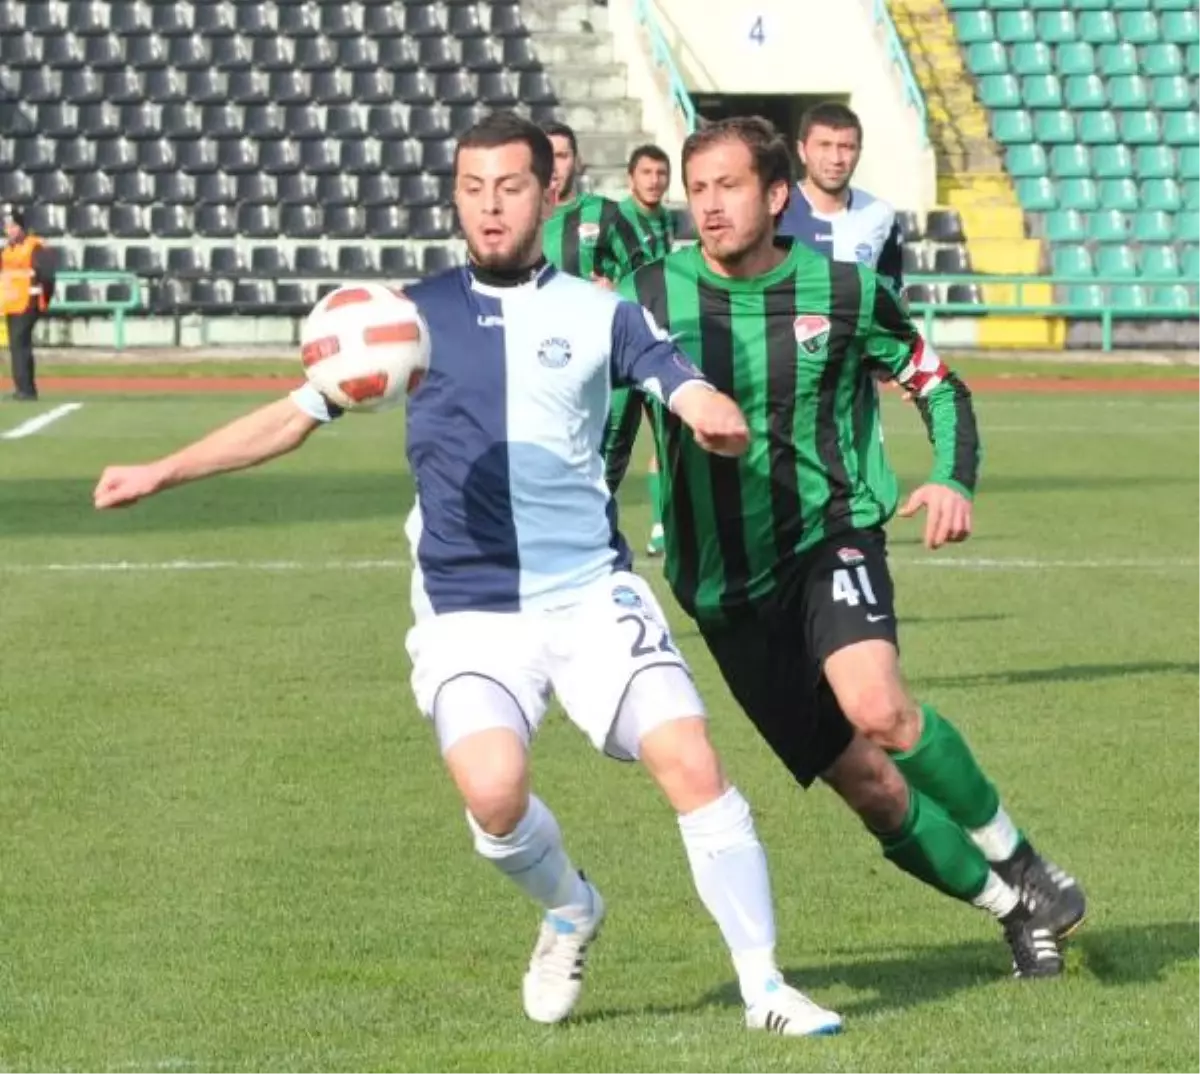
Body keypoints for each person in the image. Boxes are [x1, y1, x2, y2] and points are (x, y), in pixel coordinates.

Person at [92, 112, 843, 1038]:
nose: (490, 209)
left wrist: (708, 410)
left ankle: (765, 988)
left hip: (590, 592)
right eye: (473, 190)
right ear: (456, 197)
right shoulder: (406, 320)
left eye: (511, 188)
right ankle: (569, 907)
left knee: (689, 758)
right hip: (468, 608)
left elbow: (673, 378)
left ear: (549, 193)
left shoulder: (600, 308)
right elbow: (292, 415)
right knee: (493, 793)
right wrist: (161, 470)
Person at [606, 116, 1085, 979]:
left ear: (777, 194)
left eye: (730, 186)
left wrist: (952, 477)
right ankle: (1012, 910)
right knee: (870, 789)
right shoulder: (643, 296)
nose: (709, 206)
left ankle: (1022, 859)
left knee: (877, 705)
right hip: (720, 587)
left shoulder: (848, 291)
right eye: (698, 188)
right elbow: (608, 429)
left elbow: (938, 385)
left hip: (831, 536)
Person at [614, 143, 675, 558]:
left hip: (658, 342)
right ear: (630, 177)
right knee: (610, 443)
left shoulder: (668, 220)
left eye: (661, 173)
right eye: (647, 173)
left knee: (668, 439)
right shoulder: (615, 220)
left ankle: (661, 526)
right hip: (619, 346)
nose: (654, 180)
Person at [776, 102, 903, 294]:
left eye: (846, 147)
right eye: (824, 145)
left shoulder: (880, 214)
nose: (835, 159)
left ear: (859, 152)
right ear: (802, 151)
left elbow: (892, 296)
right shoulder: (773, 213)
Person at [540, 121, 648, 285]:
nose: (553, 166)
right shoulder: (521, 218)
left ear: (577, 162)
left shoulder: (606, 212)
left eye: (561, 156)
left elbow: (644, 274)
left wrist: (617, 290)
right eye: (545, 156)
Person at [2, 205, 57, 402]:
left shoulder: (34, 246)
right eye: (7, 227)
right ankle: (25, 388)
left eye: (13, 226)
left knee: (19, 343)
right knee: (18, 345)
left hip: (28, 303)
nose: (10, 230)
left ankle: (25, 390)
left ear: (22, 228)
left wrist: (44, 299)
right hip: (11, 303)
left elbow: (48, 276)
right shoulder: (6, 250)